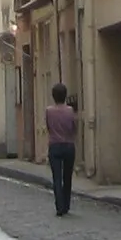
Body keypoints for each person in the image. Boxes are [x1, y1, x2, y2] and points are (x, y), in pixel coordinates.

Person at [44, 83, 77, 216]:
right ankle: (67, 205)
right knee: (67, 177)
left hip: (55, 145)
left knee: (56, 177)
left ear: (53, 96)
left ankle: (59, 206)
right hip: (68, 145)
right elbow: (73, 127)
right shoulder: (70, 111)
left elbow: (48, 127)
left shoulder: (49, 111)